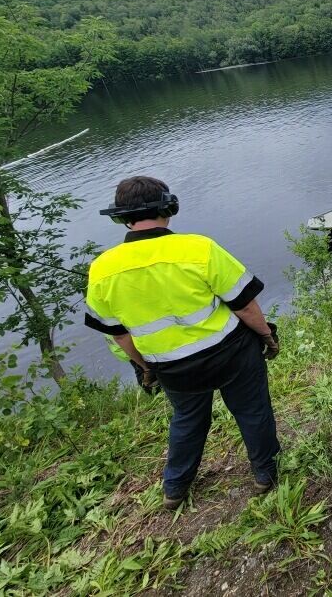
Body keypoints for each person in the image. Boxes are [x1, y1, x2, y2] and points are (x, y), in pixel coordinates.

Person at [84, 176, 280, 510]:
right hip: (230, 354)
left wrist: (147, 368)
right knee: (252, 410)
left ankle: (174, 488)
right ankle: (265, 474)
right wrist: (267, 336)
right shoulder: (198, 248)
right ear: (167, 206)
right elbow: (244, 305)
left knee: (187, 419)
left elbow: (118, 334)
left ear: (121, 218)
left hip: (172, 368)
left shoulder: (101, 270)